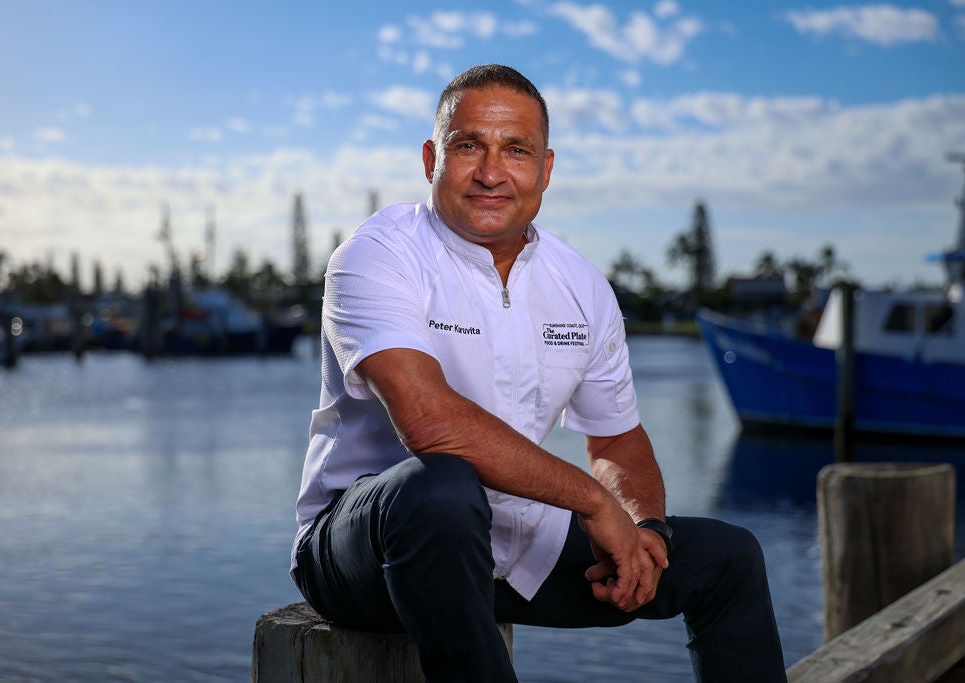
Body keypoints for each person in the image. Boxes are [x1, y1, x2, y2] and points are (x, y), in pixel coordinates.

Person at [291, 63, 787, 683]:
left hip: (514, 549)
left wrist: (642, 527)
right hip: (365, 552)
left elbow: (617, 439)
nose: (492, 173)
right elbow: (430, 423)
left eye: (516, 151)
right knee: (438, 487)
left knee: (727, 557)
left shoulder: (579, 286)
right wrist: (592, 501)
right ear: (430, 158)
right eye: (469, 145)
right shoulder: (379, 254)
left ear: (546, 169)